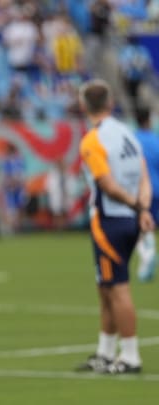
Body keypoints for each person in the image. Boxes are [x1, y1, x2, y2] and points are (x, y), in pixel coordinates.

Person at [76, 79, 154, 374]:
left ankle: (130, 355)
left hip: (109, 219)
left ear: (84, 106)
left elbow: (107, 185)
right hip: (131, 218)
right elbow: (144, 176)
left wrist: (135, 206)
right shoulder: (128, 134)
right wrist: (143, 207)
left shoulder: (92, 140)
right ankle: (106, 352)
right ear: (110, 103)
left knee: (117, 288)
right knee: (105, 286)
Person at [134, 107, 159, 282]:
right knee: (151, 224)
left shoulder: (132, 140)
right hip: (157, 188)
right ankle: (149, 253)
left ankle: (147, 255)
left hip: (140, 190)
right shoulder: (156, 140)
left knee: (140, 226)